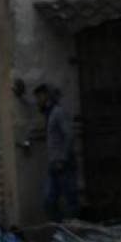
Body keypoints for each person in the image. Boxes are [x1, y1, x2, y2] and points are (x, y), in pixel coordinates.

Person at [33, 83, 78, 221]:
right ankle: (60, 229)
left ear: (47, 96)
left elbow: (69, 135)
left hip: (64, 164)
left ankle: (73, 233)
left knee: (71, 201)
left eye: (39, 97)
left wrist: (63, 158)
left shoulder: (58, 112)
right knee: (48, 200)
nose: (37, 101)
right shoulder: (49, 113)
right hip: (54, 165)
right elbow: (31, 105)